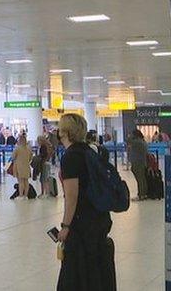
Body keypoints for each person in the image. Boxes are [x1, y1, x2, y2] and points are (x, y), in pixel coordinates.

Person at [56, 113, 115, 290]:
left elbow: (72, 196)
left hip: (82, 223)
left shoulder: (71, 156)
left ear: (64, 132)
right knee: (94, 269)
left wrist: (65, 226)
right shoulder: (90, 151)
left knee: (77, 272)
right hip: (99, 217)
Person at [127, 129, 149, 201]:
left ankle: (140, 195)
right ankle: (144, 194)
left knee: (139, 179)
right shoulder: (143, 141)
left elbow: (128, 140)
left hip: (137, 163)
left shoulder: (137, 142)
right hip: (142, 162)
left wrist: (129, 136)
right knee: (142, 179)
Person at [11, 133, 33, 200]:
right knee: (26, 181)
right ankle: (25, 195)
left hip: (19, 167)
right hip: (27, 166)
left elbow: (13, 157)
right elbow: (31, 157)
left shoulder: (17, 148)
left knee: (20, 182)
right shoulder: (29, 148)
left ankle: (21, 195)